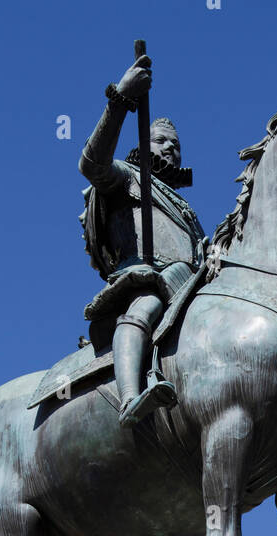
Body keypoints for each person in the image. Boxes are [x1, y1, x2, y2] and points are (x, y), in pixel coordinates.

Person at [78, 51, 206, 425]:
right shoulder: (127, 176)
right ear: (143, 144)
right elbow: (92, 164)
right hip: (146, 278)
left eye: (176, 145)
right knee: (146, 304)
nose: (171, 148)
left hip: (187, 287)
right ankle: (131, 398)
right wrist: (121, 99)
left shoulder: (185, 208)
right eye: (162, 141)